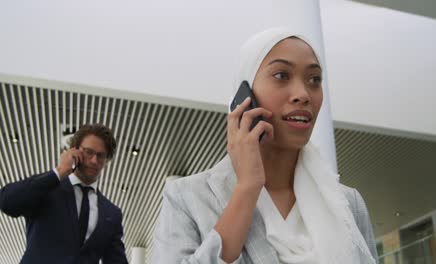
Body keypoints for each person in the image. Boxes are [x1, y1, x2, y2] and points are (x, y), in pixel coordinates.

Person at [152, 28, 378, 264]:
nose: (303, 94)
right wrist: (247, 189)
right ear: (245, 95)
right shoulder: (187, 197)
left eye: (314, 80)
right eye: (281, 75)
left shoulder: (348, 204)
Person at [0, 123, 128, 264]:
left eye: (101, 155)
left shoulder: (112, 213)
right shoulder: (48, 188)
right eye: (88, 152)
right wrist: (59, 172)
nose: (94, 160)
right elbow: (7, 202)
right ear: (74, 151)